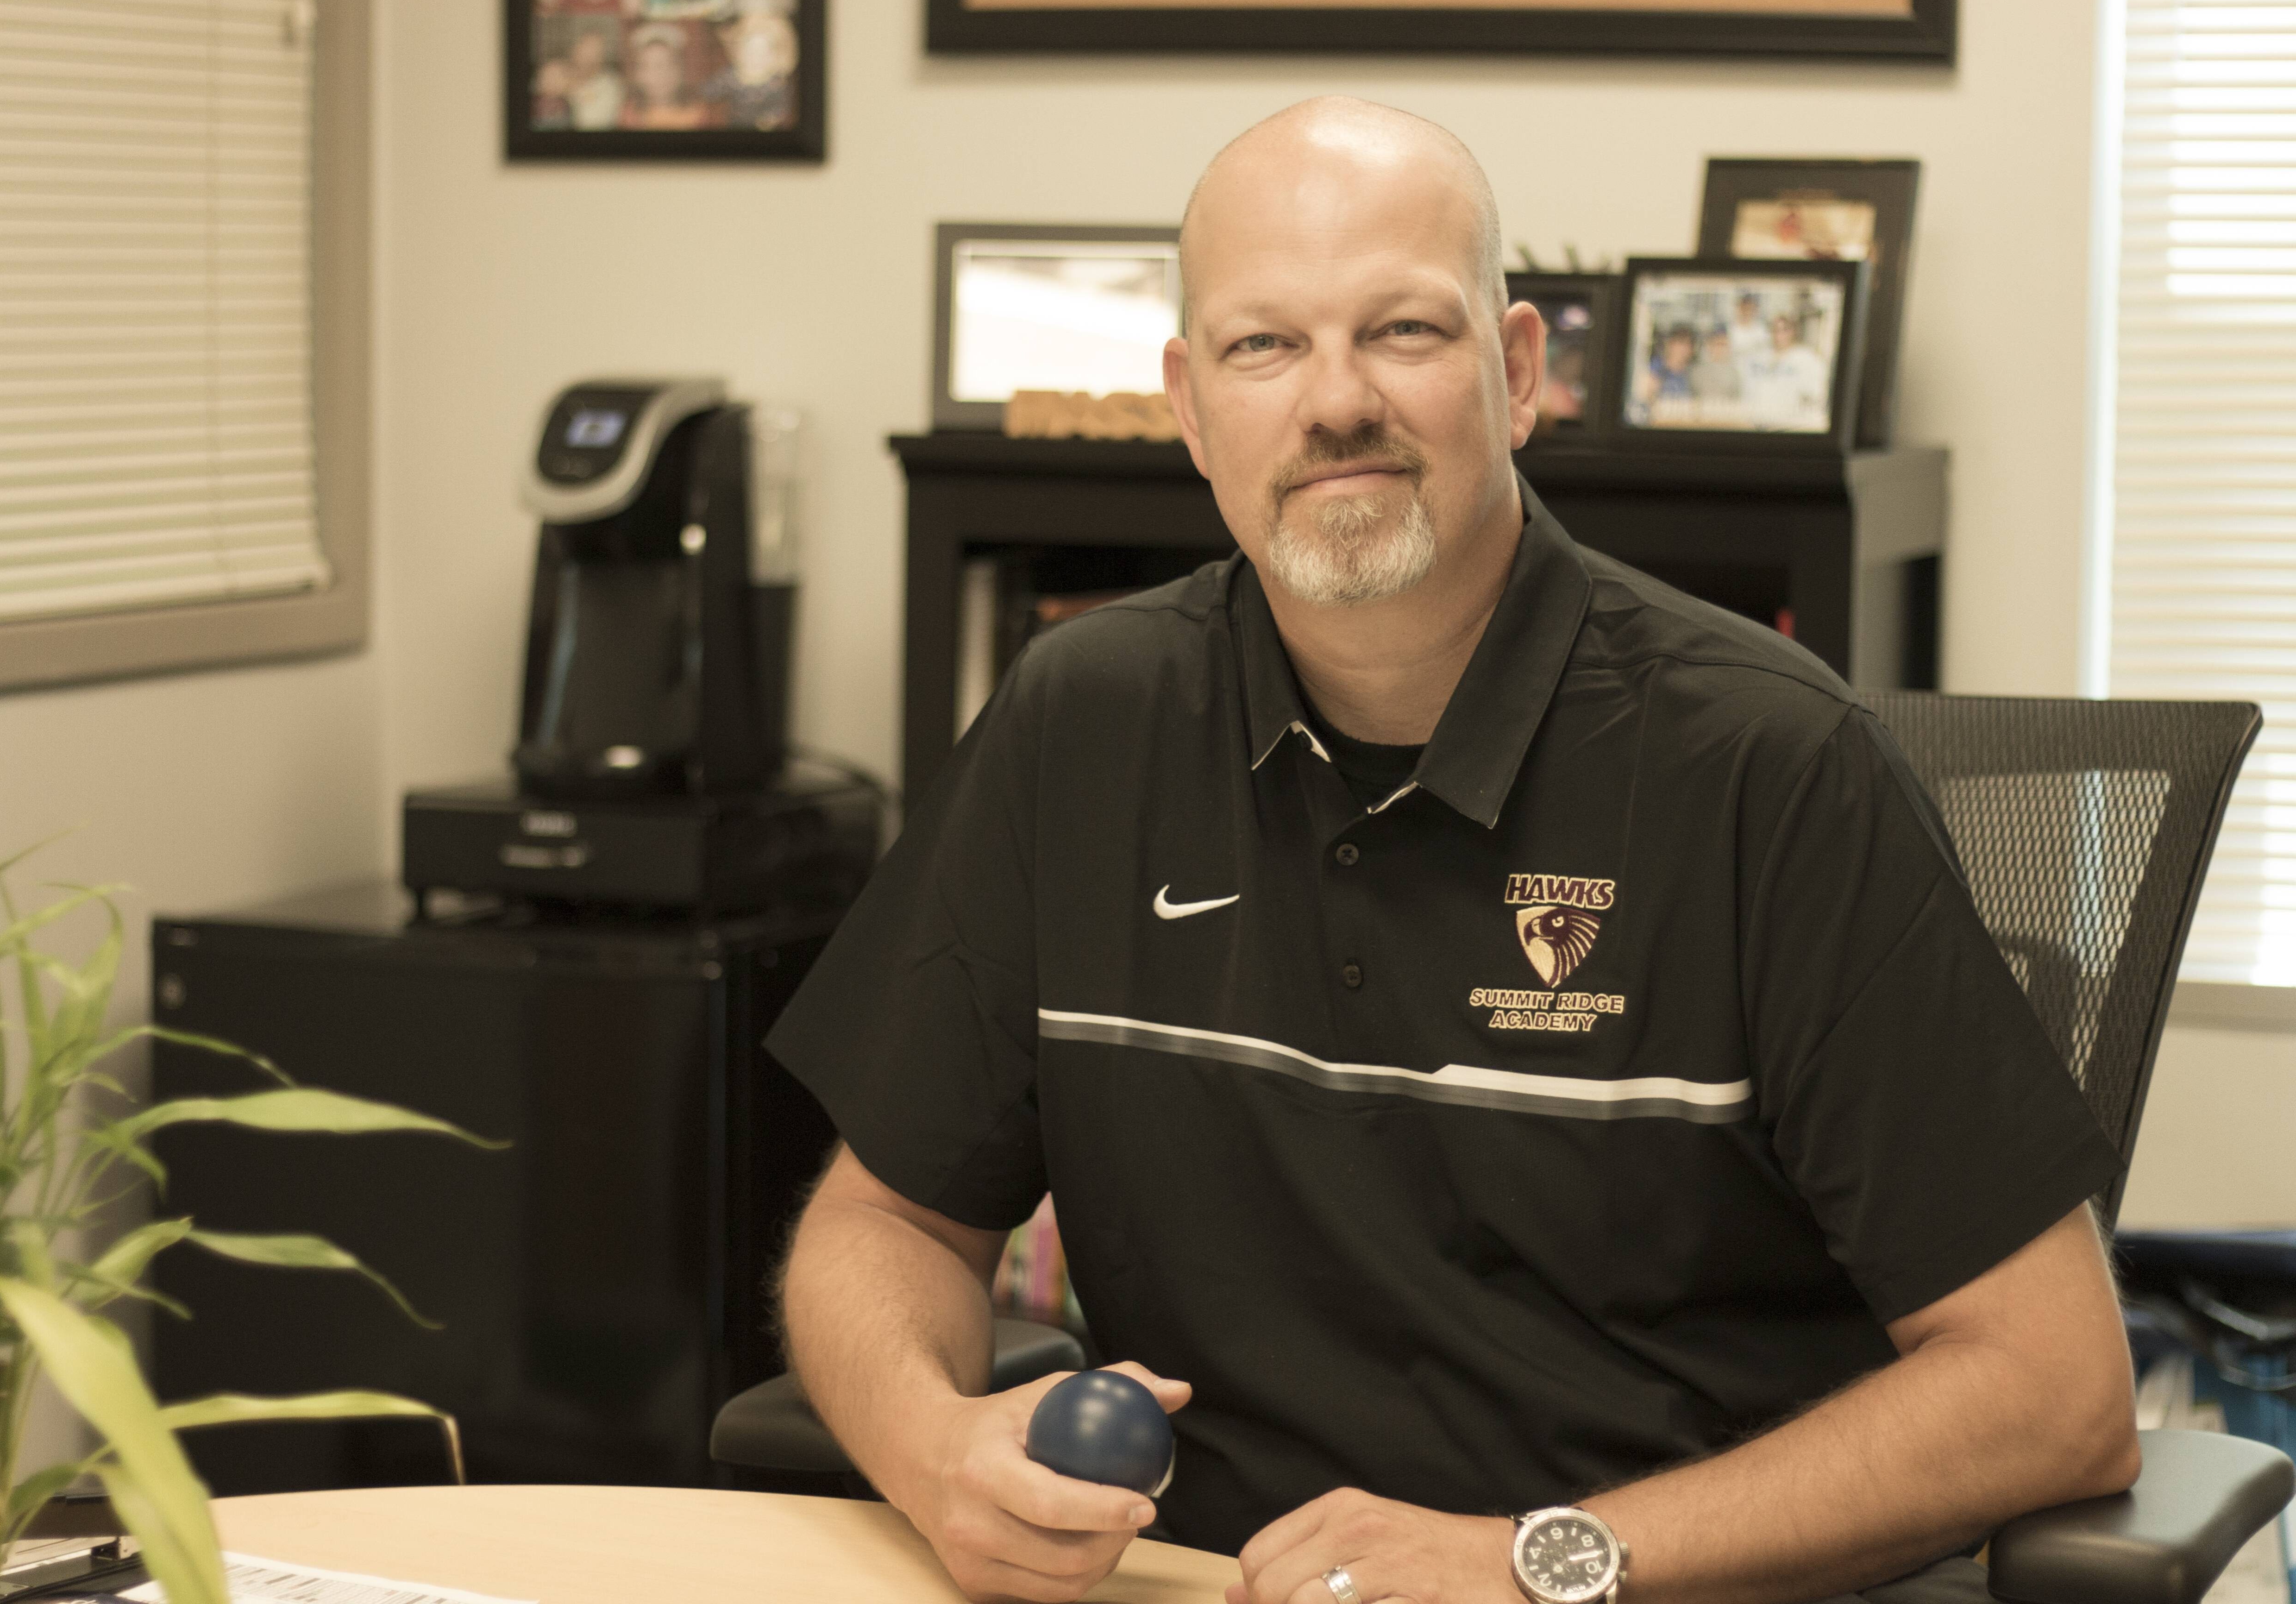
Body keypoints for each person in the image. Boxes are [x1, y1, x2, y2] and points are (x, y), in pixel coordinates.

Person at [768, 97, 2136, 1604]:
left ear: (1521, 369)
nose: (1333, 401)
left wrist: (1537, 1560)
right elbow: (880, 1218)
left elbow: (2050, 1383)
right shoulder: (1079, 720)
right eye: (1261, 345)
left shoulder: (1764, 763)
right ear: (1187, 403)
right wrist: (930, 1444)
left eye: (1403, 331)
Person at [1745, 312, 1832, 431]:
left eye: (1785, 330)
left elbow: (1818, 395)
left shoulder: (1807, 359)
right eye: (1775, 330)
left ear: (1793, 331)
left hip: (1791, 428)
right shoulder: (1760, 357)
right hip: (1758, 427)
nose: (1779, 335)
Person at [1687, 325, 1744, 418]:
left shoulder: (1734, 374)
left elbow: (1736, 403)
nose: (1720, 349)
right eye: (1717, 344)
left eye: (1724, 345)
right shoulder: (1697, 372)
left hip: (1726, 420)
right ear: (1710, 346)